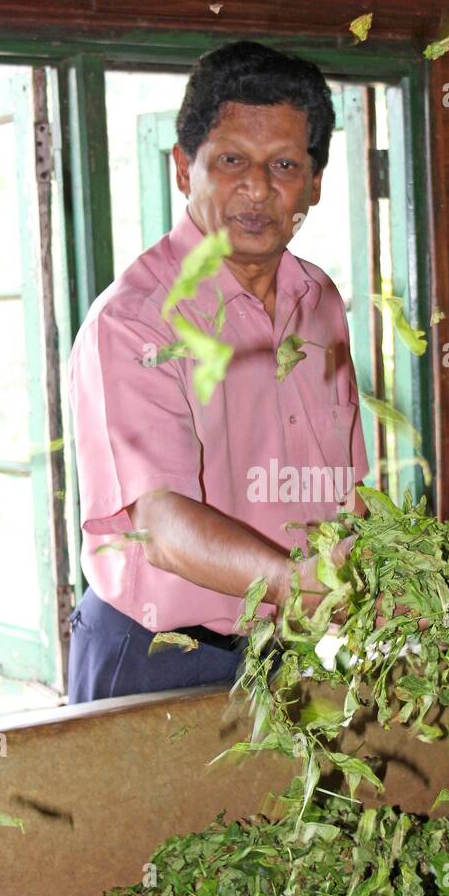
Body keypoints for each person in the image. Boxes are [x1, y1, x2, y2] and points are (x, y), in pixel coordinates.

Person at [66, 40, 370, 704]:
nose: (258, 190)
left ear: (315, 182)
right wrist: (315, 586)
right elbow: (165, 528)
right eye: (232, 160)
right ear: (185, 169)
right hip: (155, 656)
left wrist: (389, 574)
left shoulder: (318, 302)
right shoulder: (136, 324)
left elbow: (348, 491)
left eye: (285, 164)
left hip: (283, 648)